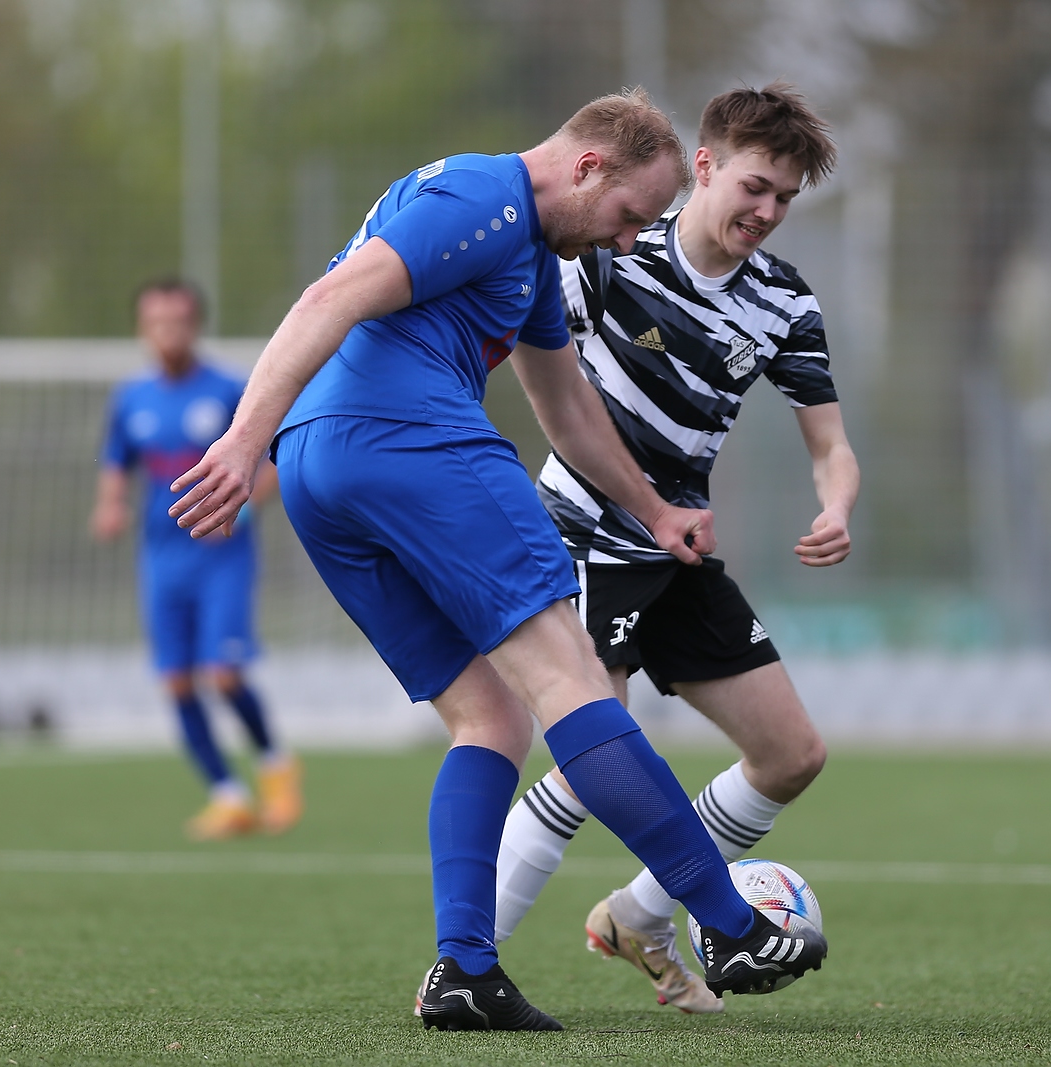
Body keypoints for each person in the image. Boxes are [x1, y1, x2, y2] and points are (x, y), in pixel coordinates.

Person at [166, 89, 826, 1032]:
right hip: (411, 439)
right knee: (570, 680)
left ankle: (465, 971)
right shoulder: (487, 198)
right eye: (627, 214)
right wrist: (239, 441)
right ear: (587, 166)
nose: (626, 238)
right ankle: (729, 922)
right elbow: (331, 296)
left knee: (490, 717)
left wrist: (654, 511)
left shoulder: (530, 256)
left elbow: (568, 409)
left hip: (322, 468)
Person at [491, 83, 859, 1014]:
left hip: (677, 548)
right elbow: (534, 368)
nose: (767, 211)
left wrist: (837, 504)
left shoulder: (783, 302)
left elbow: (830, 443)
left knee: (792, 754)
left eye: (785, 199)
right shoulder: (611, 255)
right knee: (594, 753)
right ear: (704, 165)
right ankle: (467, 960)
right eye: (755, 186)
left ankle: (637, 916)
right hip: (583, 532)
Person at [91, 278, 302, 841]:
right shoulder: (131, 398)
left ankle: (276, 765)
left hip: (221, 556)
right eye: (156, 323)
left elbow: (274, 459)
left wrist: (242, 509)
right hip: (161, 559)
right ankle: (228, 797)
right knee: (177, 683)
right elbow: (116, 462)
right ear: (142, 329)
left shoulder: (231, 390)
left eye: (178, 321)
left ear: (196, 326)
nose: (168, 333)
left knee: (224, 674)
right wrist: (110, 505)